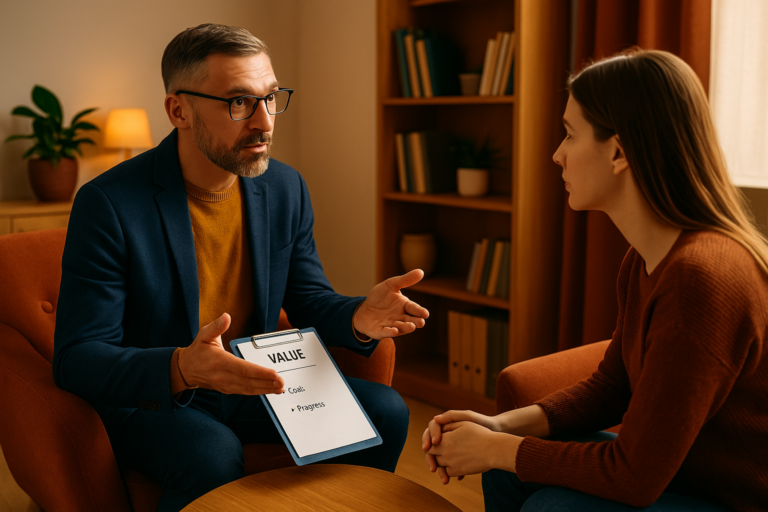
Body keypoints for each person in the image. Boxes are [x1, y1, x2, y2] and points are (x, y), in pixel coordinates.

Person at [53, 23, 429, 512]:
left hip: (255, 380)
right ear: (178, 110)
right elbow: (78, 357)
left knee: (384, 411)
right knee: (211, 453)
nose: (264, 121)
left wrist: (358, 317)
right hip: (160, 393)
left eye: (271, 98)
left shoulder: (284, 188)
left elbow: (308, 298)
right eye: (238, 102)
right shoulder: (108, 203)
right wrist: (182, 367)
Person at [421, 49, 768, 512]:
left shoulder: (700, 278)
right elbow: (614, 387)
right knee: (507, 477)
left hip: (735, 498)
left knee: (548, 505)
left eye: (569, 134)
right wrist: (499, 427)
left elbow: (635, 477)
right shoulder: (643, 261)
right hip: (679, 472)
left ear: (620, 151)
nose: (557, 154)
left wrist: (494, 449)